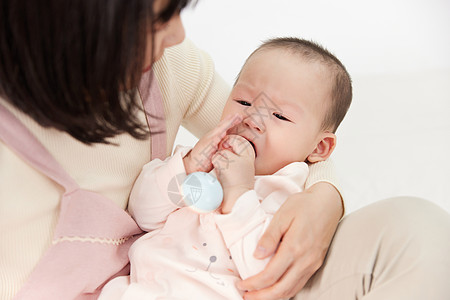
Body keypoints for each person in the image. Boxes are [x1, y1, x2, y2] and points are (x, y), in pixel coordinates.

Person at [1, 1, 449, 299]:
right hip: (143, 289)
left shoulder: (168, 67)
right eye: (156, 17)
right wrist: (184, 170)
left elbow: (296, 144)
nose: (177, 34)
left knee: (419, 228)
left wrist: (324, 199)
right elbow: (147, 209)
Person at [99, 37, 353, 300]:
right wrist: (186, 166)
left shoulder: (289, 195)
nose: (253, 120)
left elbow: (268, 273)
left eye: (279, 116)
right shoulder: (200, 162)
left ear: (319, 148)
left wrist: (238, 192)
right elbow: (142, 215)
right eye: (243, 102)